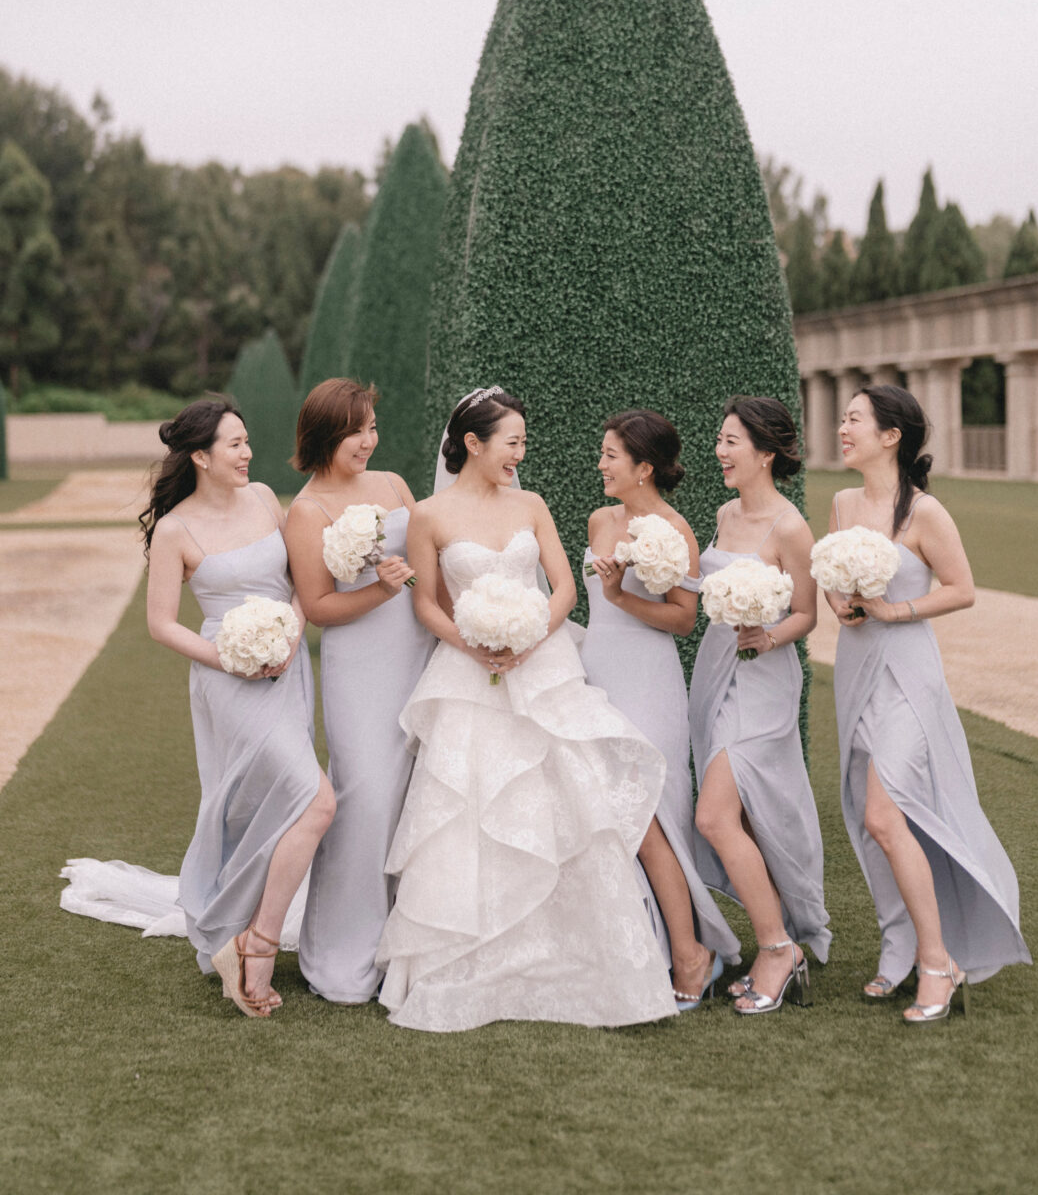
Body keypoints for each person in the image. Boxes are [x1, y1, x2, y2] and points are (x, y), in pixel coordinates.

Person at [375, 387, 678, 1031]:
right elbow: (427, 603)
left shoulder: (532, 503)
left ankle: (579, 957)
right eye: (512, 441)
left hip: (542, 666)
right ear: (474, 444)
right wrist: (474, 644)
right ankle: (463, 959)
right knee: (468, 805)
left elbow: (565, 583)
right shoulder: (428, 515)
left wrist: (532, 633)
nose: (521, 452)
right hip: (467, 671)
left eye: (522, 441)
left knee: (567, 800)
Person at [829, 384, 1030, 1022]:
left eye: (854, 419)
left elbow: (963, 589)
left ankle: (939, 960)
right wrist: (845, 604)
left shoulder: (925, 513)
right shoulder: (841, 502)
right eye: (843, 418)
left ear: (891, 435)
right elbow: (834, 585)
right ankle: (901, 948)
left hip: (909, 674)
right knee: (872, 818)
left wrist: (897, 609)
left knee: (887, 816)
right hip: (858, 668)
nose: (843, 428)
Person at [141, 398, 335, 1018]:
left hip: (287, 667)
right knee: (316, 800)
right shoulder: (176, 530)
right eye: (234, 445)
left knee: (275, 803)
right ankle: (256, 944)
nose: (248, 453)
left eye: (247, 441)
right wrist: (231, 658)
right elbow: (161, 625)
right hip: (228, 679)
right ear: (200, 456)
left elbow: (300, 582)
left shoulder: (265, 499)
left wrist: (290, 636)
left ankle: (246, 931)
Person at [583, 409, 740, 1009]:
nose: (601, 464)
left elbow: (682, 618)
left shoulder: (675, 530)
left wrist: (622, 595)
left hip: (647, 683)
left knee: (648, 817)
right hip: (595, 677)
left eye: (610, 456)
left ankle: (689, 951)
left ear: (643, 467)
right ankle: (632, 947)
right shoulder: (600, 518)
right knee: (607, 816)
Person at [285, 379, 432, 1003]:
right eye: (357, 432)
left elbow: (431, 555)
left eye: (373, 427)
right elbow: (317, 607)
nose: (369, 441)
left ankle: (412, 945)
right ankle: (343, 950)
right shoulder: (306, 509)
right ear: (325, 436)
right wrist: (381, 590)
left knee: (417, 795)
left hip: (415, 651)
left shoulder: (394, 485)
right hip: (357, 665)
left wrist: (417, 584)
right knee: (365, 796)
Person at [690, 397, 829, 1015]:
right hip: (715, 673)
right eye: (720, 440)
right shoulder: (722, 513)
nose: (720, 451)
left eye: (731, 442)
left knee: (714, 817)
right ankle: (774, 935)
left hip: (766, 681)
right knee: (735, 819)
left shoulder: (790, 527)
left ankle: (778, 949)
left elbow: (807, 613)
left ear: (765, 453)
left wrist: (767, 634)